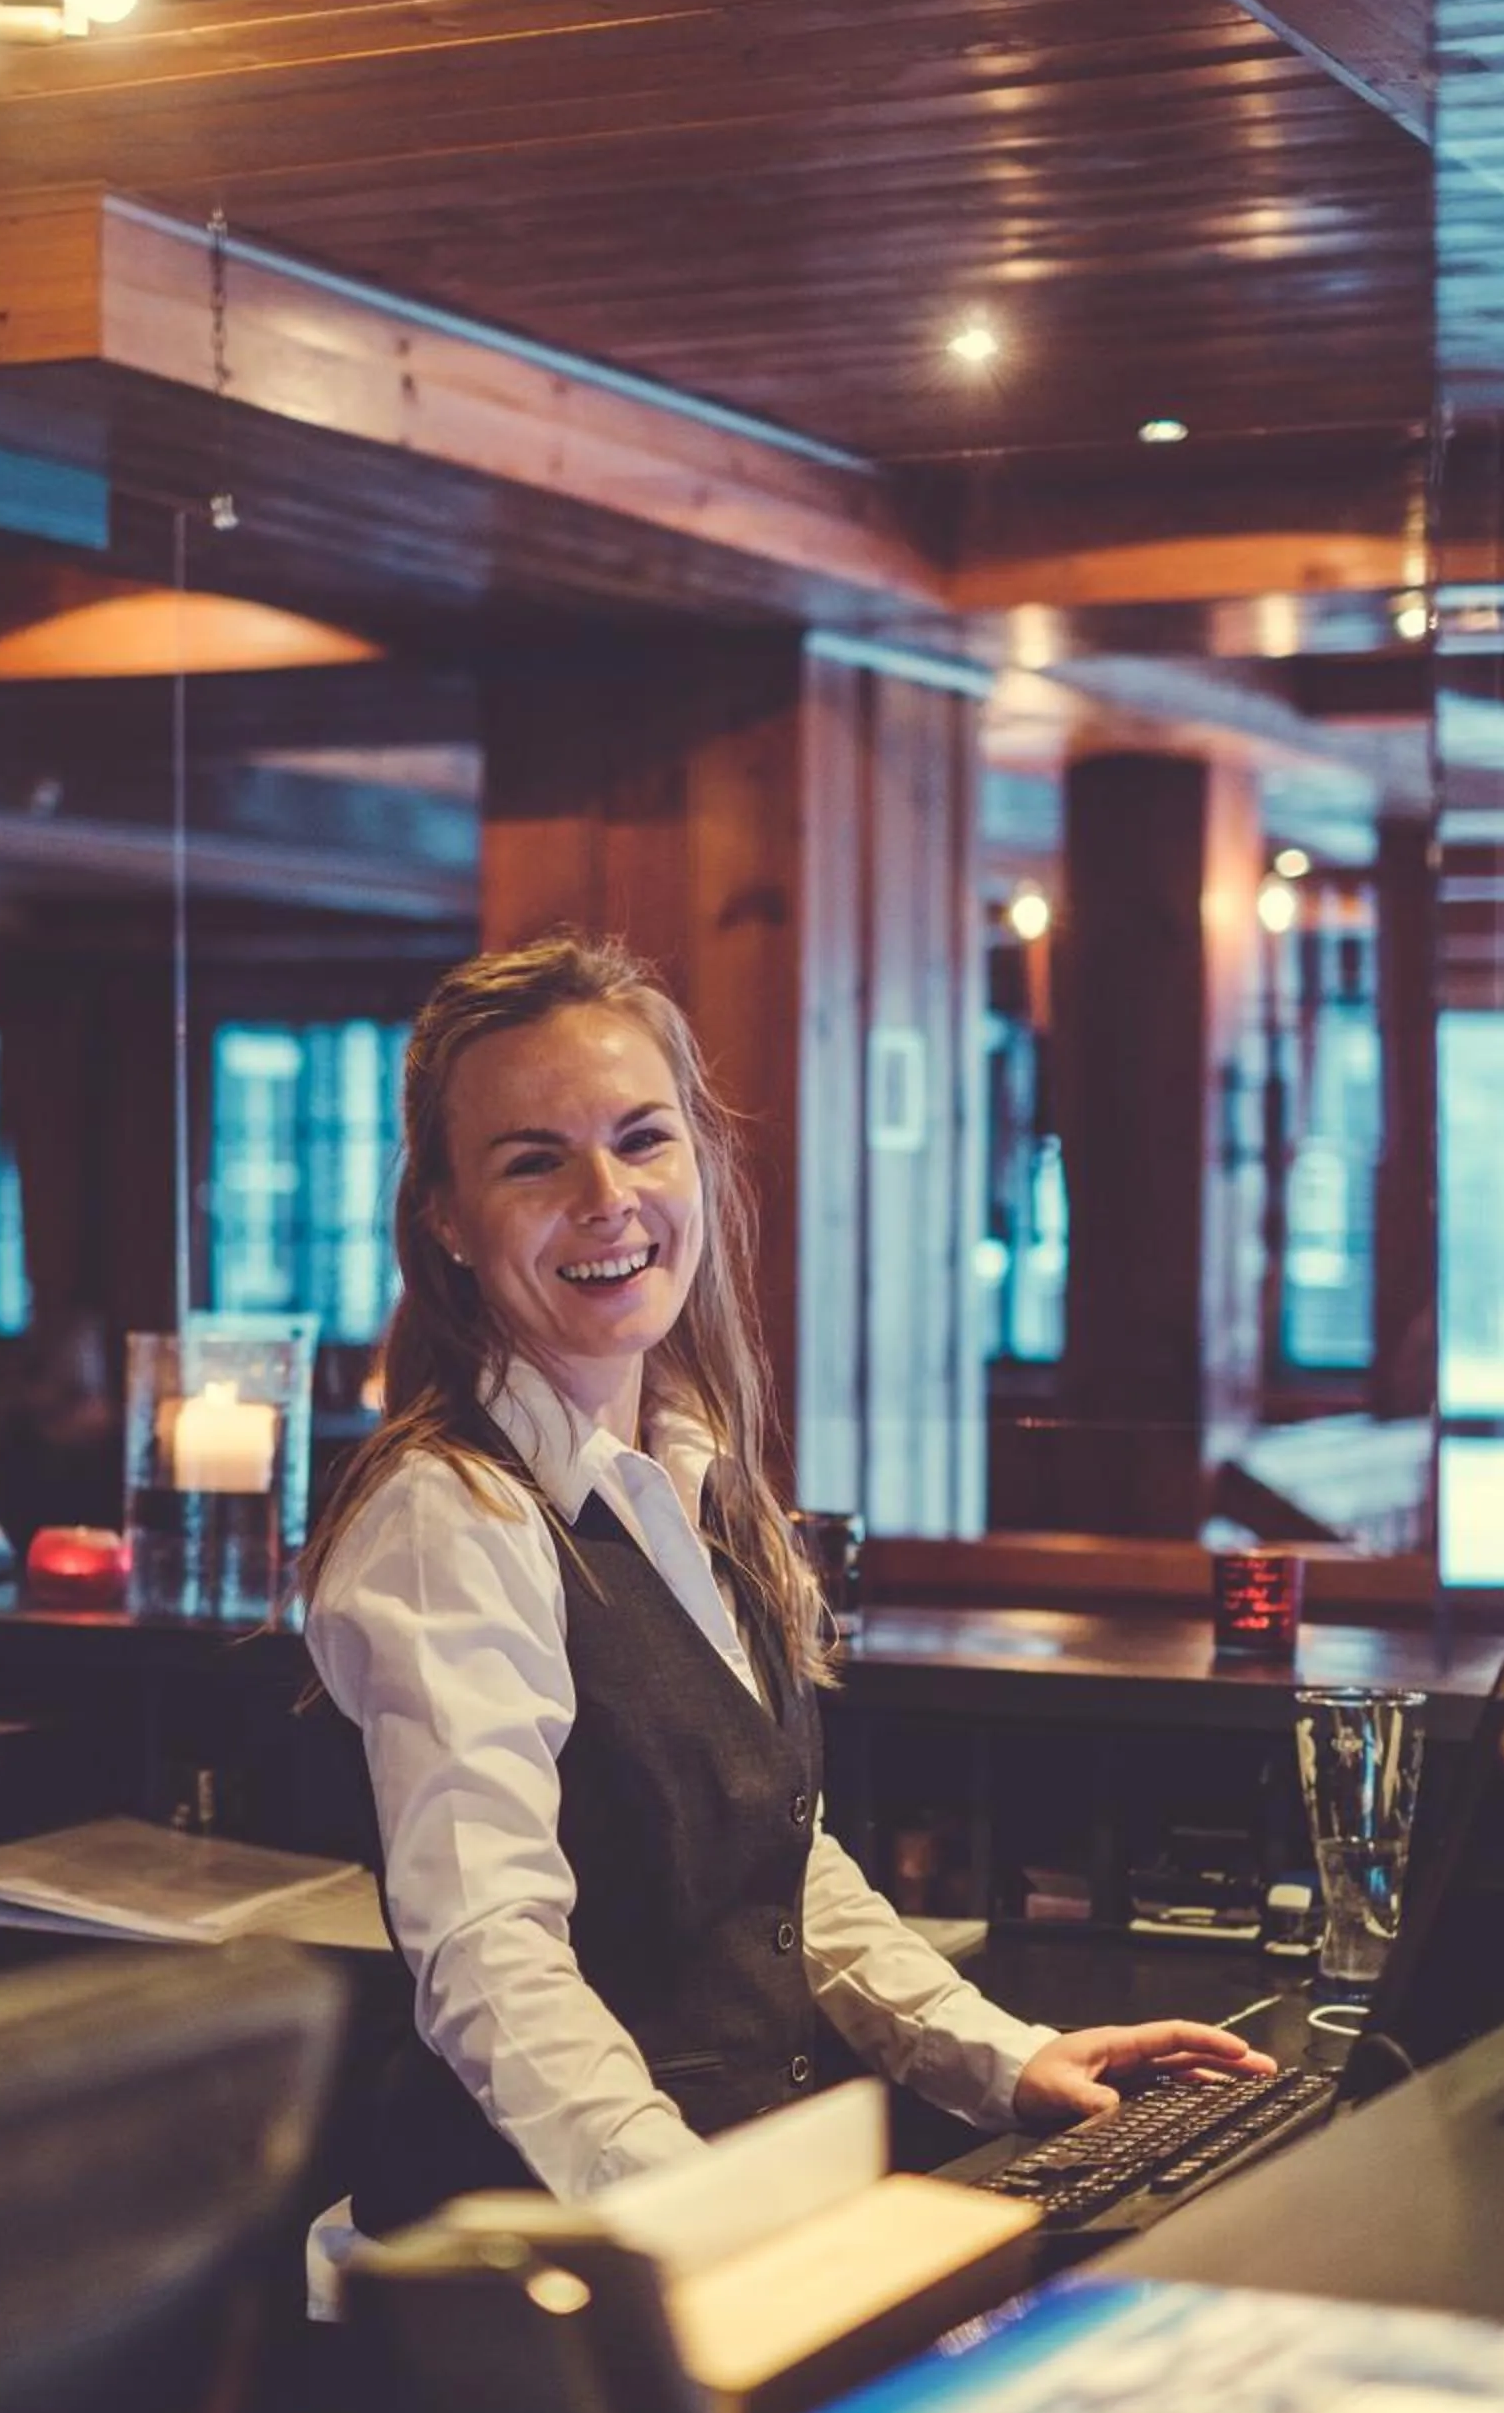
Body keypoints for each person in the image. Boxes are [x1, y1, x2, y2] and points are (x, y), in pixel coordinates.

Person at [302, 936, 1272, 2237]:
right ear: (446, 1217)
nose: (607, 1196)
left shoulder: (688, 1475)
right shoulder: (451, 1514)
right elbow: (488, 1954)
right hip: (542, 2273)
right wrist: (698, 2213)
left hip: (733, 2217)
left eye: (641, 1139)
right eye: (534, 1160)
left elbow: (776, 1865)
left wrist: (1006, 2059)